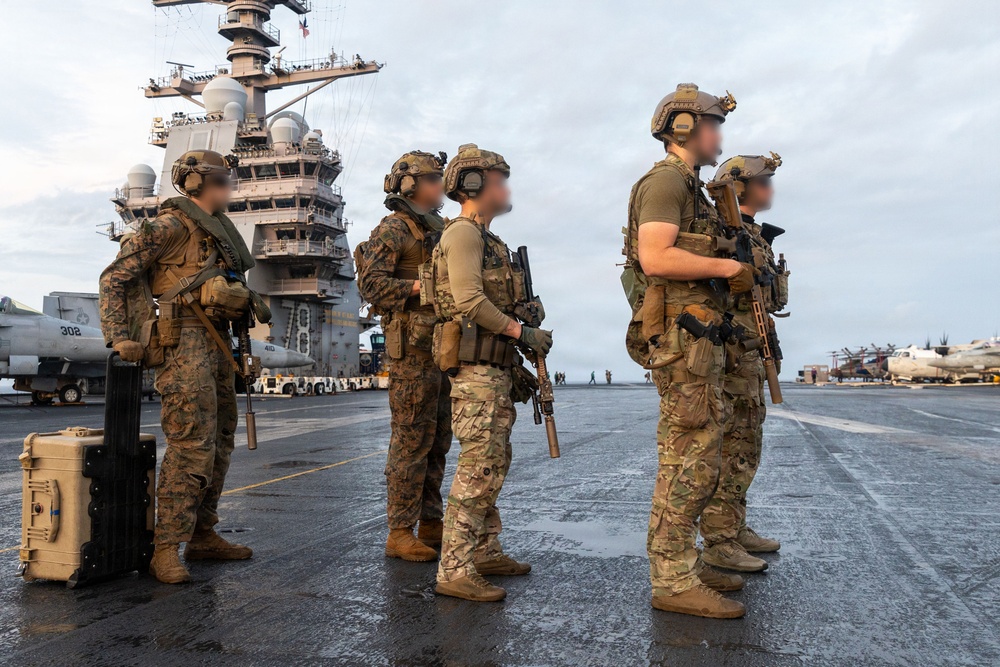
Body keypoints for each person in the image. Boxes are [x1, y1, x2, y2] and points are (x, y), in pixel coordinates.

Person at [99, 150, 261, 584]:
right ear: (196, 184)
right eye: (222, 181)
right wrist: (119, 336)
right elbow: (114, 278)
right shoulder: (167, 227)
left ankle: (202, 533)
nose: (229, 188)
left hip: (217, 343)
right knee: (191, 443)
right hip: (182, 342)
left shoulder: (219, 235)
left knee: (222, 441)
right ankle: (166, 547)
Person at [622, 83, 752, 618]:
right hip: (683, 340)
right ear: (685, 128)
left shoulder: (692, 188)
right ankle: (672, 579)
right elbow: (655, 257)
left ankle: (682, 565)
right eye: (712, 123)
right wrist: (729, 268)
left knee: (701, 453)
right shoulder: (664, 184)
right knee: (687, 456)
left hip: (699, 336)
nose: (719, 135)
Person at [430, 144, 552, 602]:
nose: (507, 187)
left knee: (494, 461)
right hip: (477, 369)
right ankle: (454, 569)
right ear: (476, 186)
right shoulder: (464, 234)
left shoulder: (490, 241)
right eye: (499, 179)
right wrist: (522, 331)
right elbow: (467, 300)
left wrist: (524, 317)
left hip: (495, 367)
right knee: (479, 464)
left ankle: (484, 549)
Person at [357, 150, 453, 562]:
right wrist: (421, 289)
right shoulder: (394, 229)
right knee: (411, 441)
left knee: (438, 441)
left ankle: (431, 522)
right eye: (433, 179)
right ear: (410, 185)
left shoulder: (439, 229)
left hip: (443, 348)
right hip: (412, 352)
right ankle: (400, 531)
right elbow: (371, 285)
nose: (441, 186)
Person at [699, 153, 787, 573]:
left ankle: (733, 526)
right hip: (734, 352)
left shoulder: (754, 235)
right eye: (764, 181)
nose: (770, 188)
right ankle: (718, 538)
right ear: (741, 187)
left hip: (755, 350)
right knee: (732, 444)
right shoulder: (727, 234)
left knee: (747, 445)